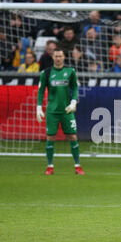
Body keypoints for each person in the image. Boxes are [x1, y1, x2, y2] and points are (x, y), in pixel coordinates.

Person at [36, 47, 84, 175]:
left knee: (72, 136)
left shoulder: (70, 71)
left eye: (60, 56)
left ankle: (77, 166)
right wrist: (38, 107)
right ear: (53, 57)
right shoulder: (46, 73)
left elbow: (74, 87)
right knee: (50, 137)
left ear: (64, 57)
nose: (58, 58)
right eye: (56, 56)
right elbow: (41, 91)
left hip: (67, 111)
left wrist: (73, 101)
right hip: (52, 111)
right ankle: (50, 166)